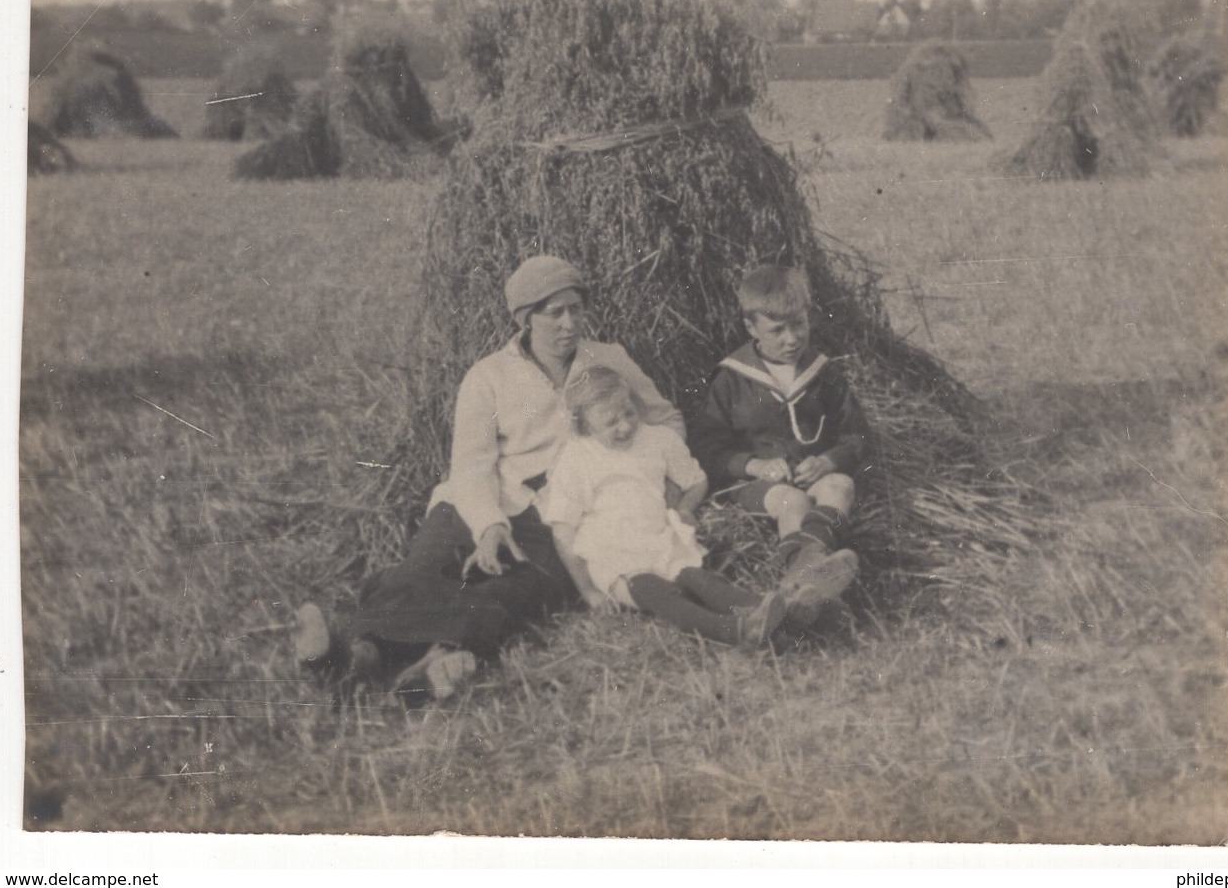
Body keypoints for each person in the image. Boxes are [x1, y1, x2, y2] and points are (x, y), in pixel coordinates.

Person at [294, 255, 685, 700]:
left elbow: (666, 419)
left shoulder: (610, 360)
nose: (568, 323)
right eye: (553, 312)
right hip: (479, 500)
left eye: (576, 308)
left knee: (511, 586)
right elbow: (471, 465)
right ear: (525, 318)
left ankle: (439, 661)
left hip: (565, 513)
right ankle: (356, 656)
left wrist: (661, 477)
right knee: (428, 567)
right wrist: (490, 527)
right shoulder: (488, 376)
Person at [543, 367, 786, 647]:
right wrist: (588, 591)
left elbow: (696, 481)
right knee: (657, 592)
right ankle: (733, 630)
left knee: (698, 580)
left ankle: (770, 610)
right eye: (610, 422)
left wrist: (685, 509)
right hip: (611, 556)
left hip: (658, 539)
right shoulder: (576, 458)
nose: (625, 425)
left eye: (629, 411)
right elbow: (562, 530)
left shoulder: (657, 439)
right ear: (584, 425)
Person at [688, 264, 868, 628]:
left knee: (841, 486)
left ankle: (798, 589)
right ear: (751, 328)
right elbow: (707, 448)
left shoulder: (823, 373)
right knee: (792, 501)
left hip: (811, 473)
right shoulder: (732, 379)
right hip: (759, 485)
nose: (791, 339)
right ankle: (813, 580)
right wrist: (753, 466)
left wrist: (829, 461)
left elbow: (858, 436)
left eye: (799, 324)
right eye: (777, 330)